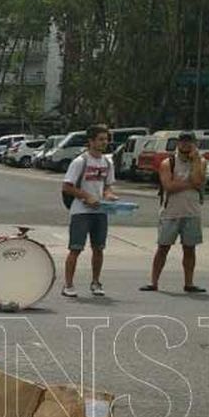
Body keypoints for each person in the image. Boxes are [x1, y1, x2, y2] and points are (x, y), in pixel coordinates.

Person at [142, 130, 206, 293]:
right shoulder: (168, 163)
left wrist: (195, 161)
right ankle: (154, 281)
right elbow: (169, 186)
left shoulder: (200, 161)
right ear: (178, 144)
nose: (186, 145)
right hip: (171, 212)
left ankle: (189, 283)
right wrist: (189, 183)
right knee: (163, 247)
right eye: (183, 142)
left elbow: (198, 181)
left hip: (192, 212)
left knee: (190, 248)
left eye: (189, 142)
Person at [60, 124, 117, 297]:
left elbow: (107, 186)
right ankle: (68, 285)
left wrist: (108, 195)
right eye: (100, 139)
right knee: (76, 248)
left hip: (100, 212)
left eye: (106, 139)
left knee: (98, 248)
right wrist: (86, 196)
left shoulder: (107, 162)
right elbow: (67, 186)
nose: (103, 143)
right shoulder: (80, 161)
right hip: (81, 212)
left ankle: (96, 282)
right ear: (91, 141)